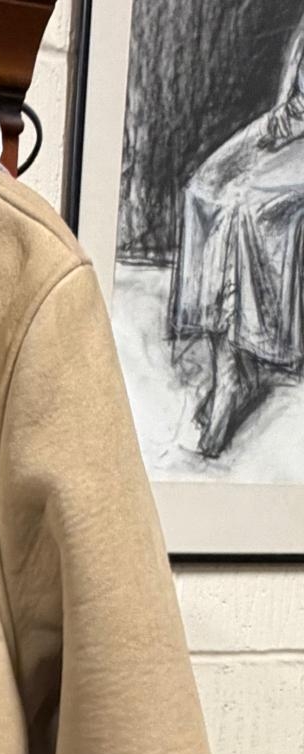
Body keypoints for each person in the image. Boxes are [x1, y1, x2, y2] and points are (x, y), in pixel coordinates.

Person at [170, 15, 304, 457]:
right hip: (290, 120)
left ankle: (230, 373)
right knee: (203, 188)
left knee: (241, 208)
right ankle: (232, 359)